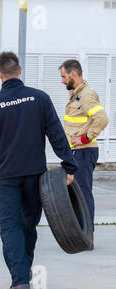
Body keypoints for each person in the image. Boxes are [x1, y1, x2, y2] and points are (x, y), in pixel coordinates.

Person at [0, 52, 78, 289]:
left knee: (10, 227)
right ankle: (23, 277)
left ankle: (19, 281)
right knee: (27, 225)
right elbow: (56, 134)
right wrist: (69, 166)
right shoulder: (40, 98)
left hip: (7, 177)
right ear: (20, 70)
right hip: (35, 175)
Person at [59, 59, 108, 226]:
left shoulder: (86, 94)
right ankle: (80, 231)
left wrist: (85, 138)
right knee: (76, 194)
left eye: (64, 76)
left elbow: (102, 119)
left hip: (84, 151)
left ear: (73, 74)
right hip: (76, 152)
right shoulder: (76, 94)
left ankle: (86, 234)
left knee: (83, 193)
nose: (62, 80)